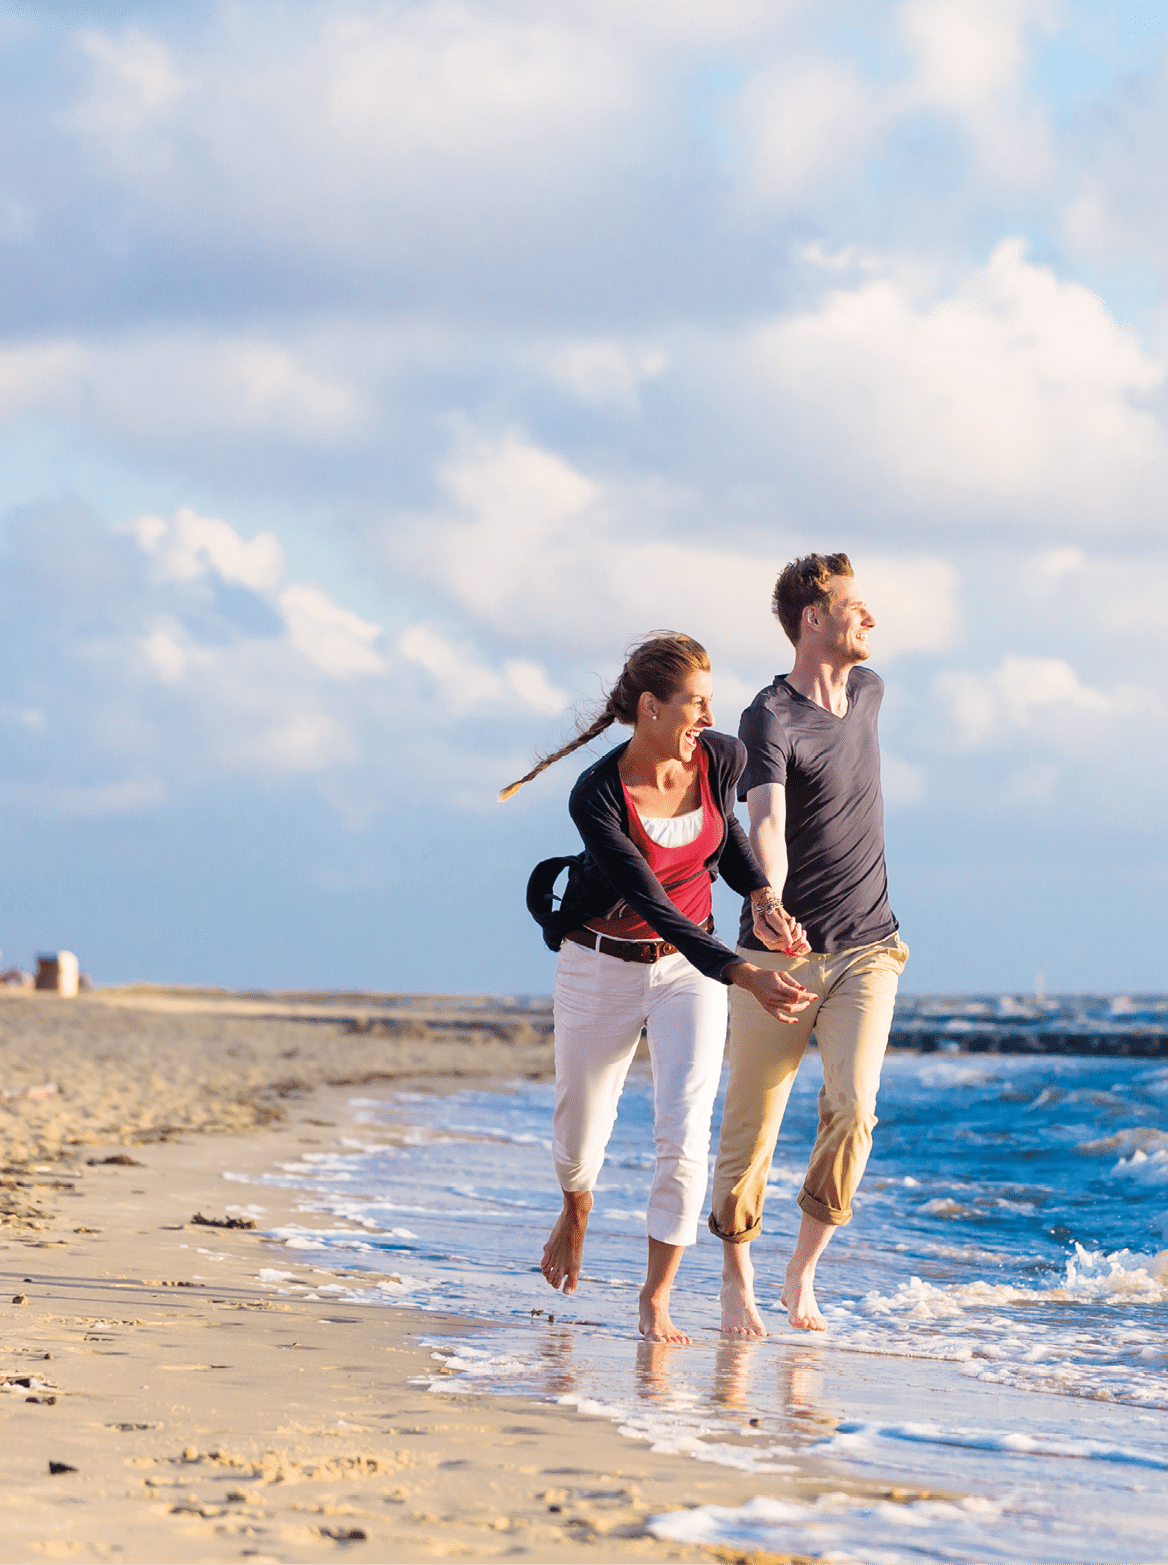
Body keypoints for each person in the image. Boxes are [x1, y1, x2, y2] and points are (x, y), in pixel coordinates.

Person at [500, 633, 813, 1344]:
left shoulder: (720, 757)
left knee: (685, 1130)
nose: (708, 713)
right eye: (694, 701)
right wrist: (744, 971)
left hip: (684, 972)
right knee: (581, 1132)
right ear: (649, 707)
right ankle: (577, 1207)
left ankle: (656, 1296)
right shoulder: (599, 795)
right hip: (600, 961)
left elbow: (723, 837)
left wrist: (762, 895)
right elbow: (653, 898)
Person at [708, 554, 910, 1335]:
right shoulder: (769, 717)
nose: (870, 618)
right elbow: (766, 819)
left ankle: (803, 1269)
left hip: (869, 945)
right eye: (854, 606)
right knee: (751, 1127)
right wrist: (770, 899)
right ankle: (736, 1274)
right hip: (778, 956)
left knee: (854, 1109)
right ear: (812, 620)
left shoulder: (869, 690)